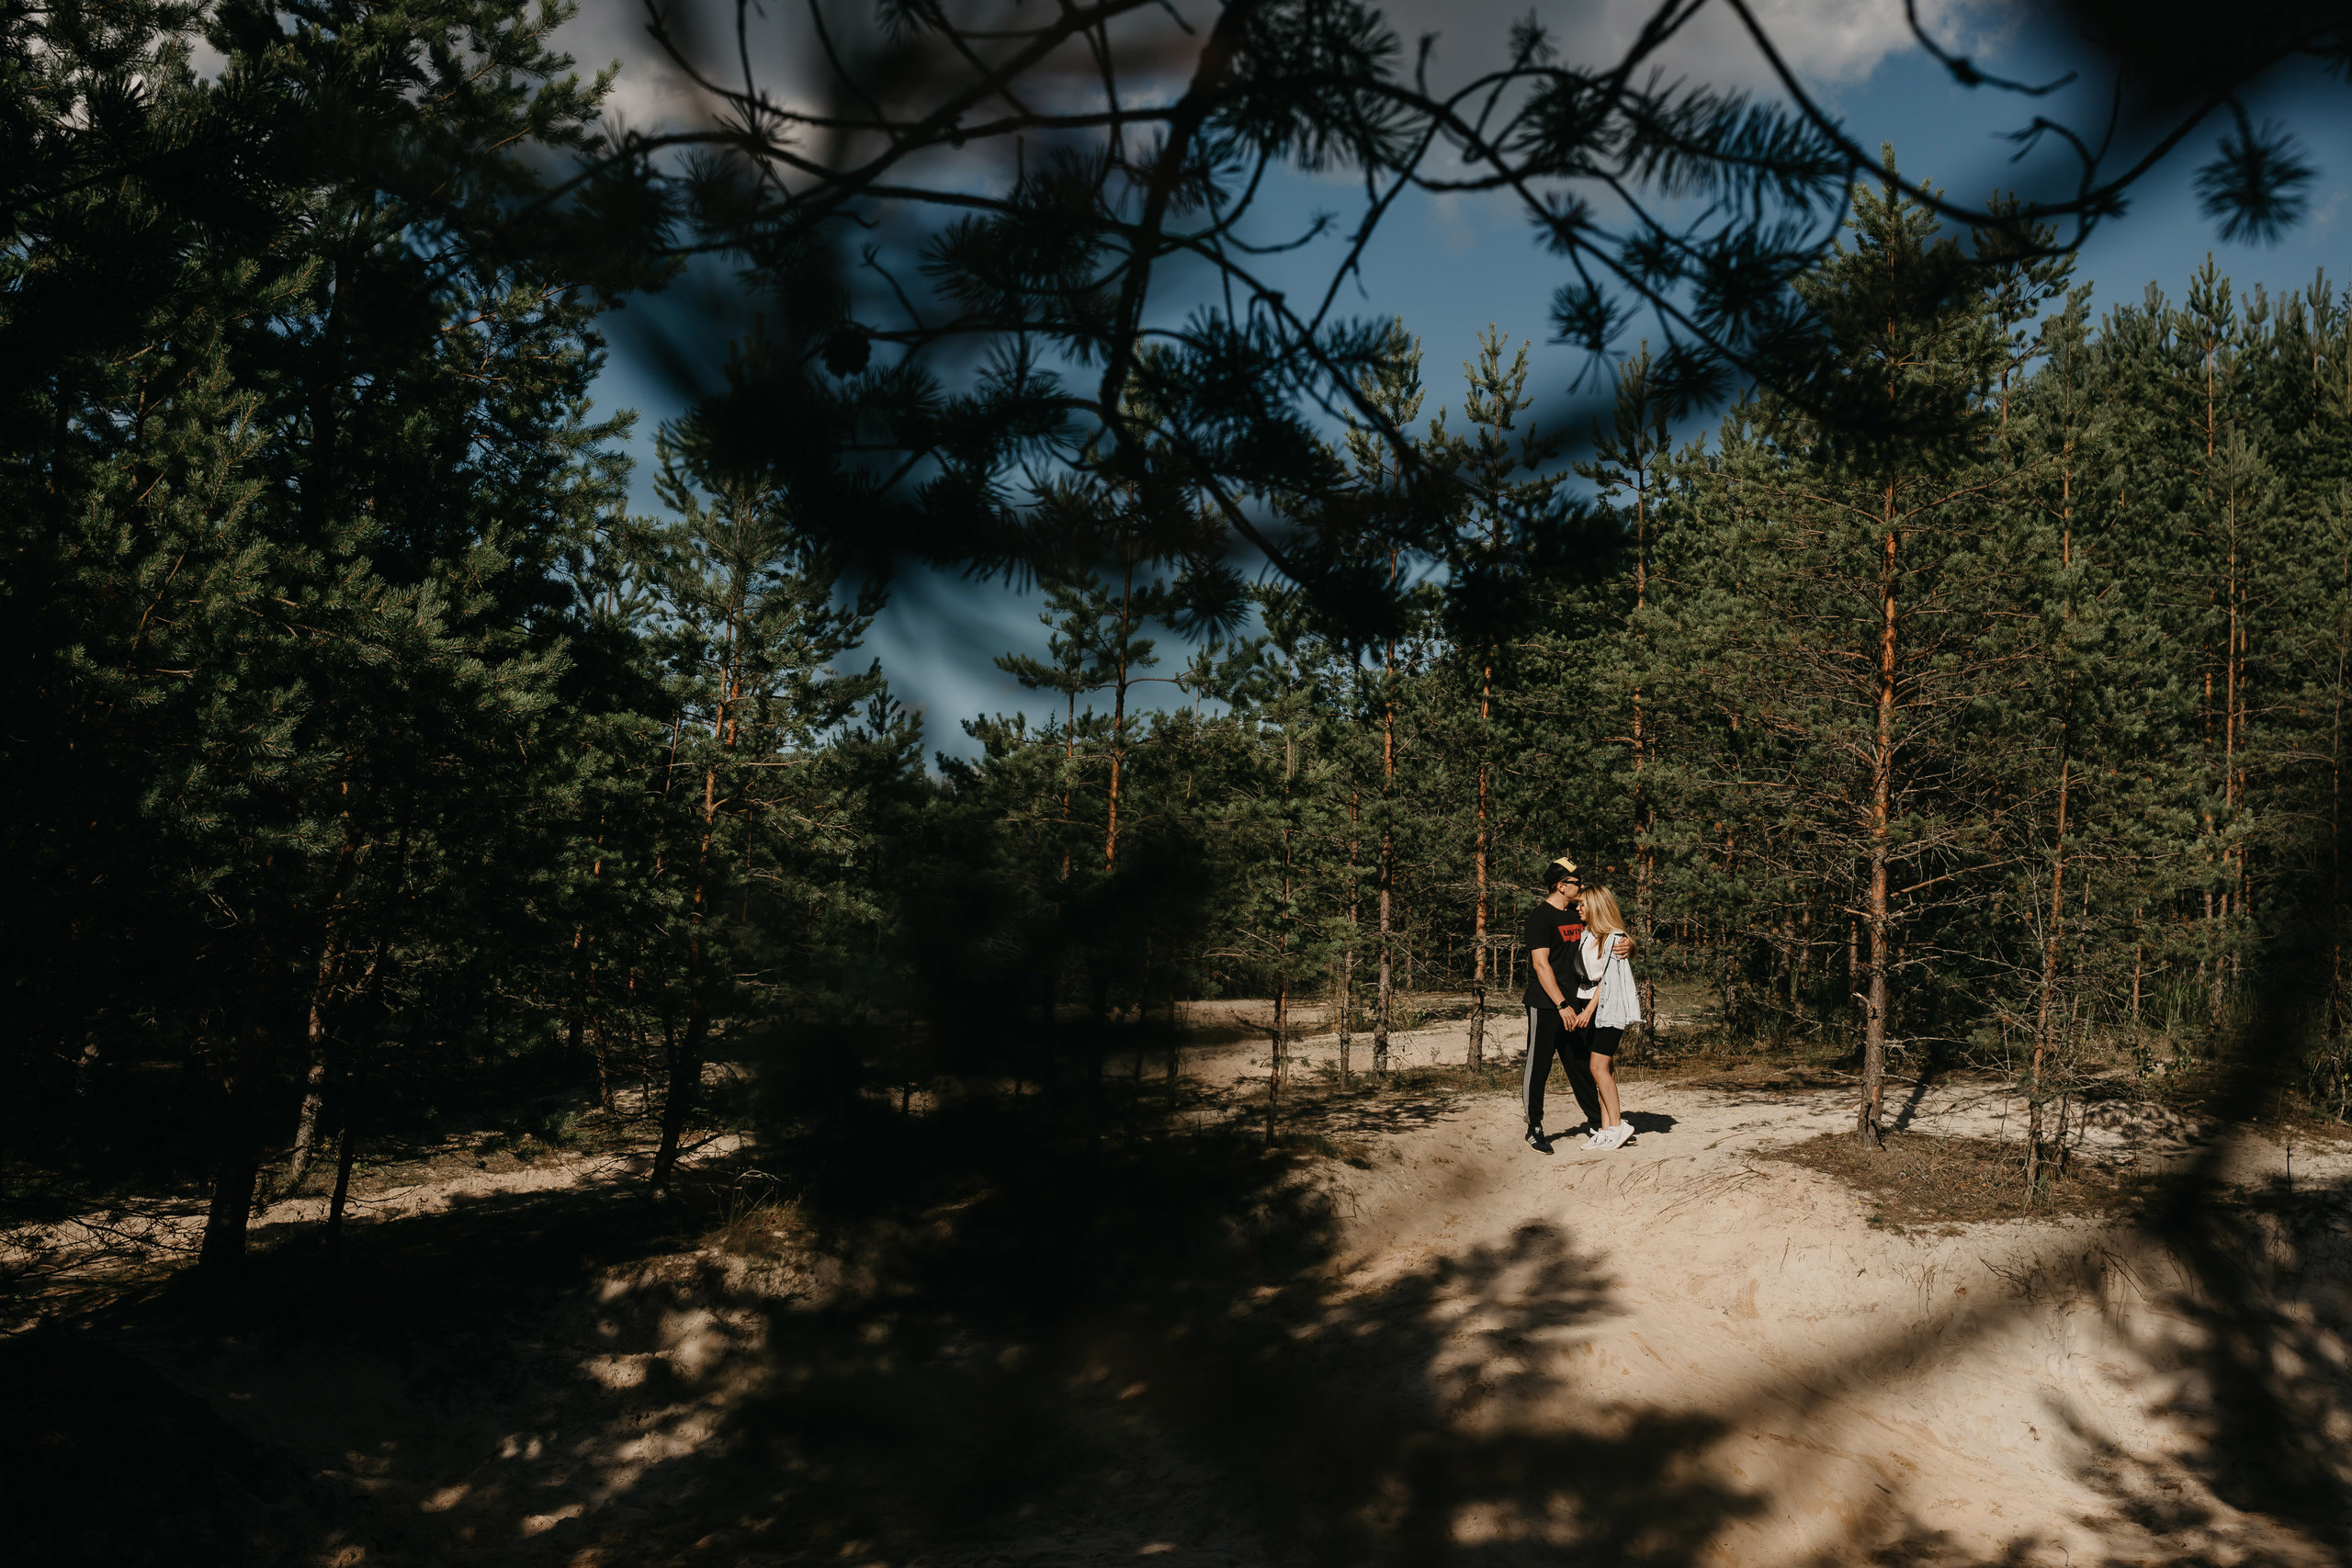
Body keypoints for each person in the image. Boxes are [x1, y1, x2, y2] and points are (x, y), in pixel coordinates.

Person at [1521, 857, 1632, 1152]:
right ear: (1560, 886)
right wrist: (1560, 1005)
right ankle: (1534, 1126)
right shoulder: (1540, 918)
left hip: (1579, 1006)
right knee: (1539, 1065)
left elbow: (1609, 931)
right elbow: (1540, 965)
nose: (1581, 887)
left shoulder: (1577, 913)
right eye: (1576, 882)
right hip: (1547, 1005)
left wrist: (1629, 943)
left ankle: (1598, 1123)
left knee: (1582, 1064)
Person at [1570, 885, 1643, 1149]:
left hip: (1607, 1010)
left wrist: (1588, 1011)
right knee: (1603, 1071)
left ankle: (1617, 1125)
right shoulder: (1588, 934)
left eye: (1583, 904)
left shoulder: (1614, 938)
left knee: (1597, 1068)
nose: (1577, 908)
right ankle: (1605, 1128)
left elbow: (1609, 980)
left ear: (1597, 906)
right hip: (1589, 1006)